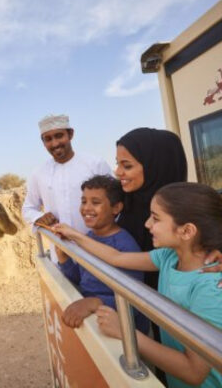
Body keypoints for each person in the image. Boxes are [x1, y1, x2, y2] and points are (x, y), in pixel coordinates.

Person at [53, 182, 222, 388]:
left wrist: (125, 332)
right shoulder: (168, 257)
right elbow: (116, 257)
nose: (147, 224)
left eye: (156, 218)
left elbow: (194, 372)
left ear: (186, 231)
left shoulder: (212, 288)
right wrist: (75, 236)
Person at [56, 175, 149, 334]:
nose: (86, 208)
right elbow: (83, 280)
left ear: (116, 208)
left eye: (96, 202)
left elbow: (135, 303)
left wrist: (94, 303)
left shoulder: (125, 246)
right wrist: (64, 260)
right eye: (84, 201)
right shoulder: (89, 238)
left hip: (124, 337)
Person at [22, 114, 111, 263]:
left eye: (59, 136)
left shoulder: (95, 163)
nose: (55, 143)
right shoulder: (38, 173)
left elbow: (116, 201)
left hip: (98, 252)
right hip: (61, 255)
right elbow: (28, 209)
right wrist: (39, 218)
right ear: (43, 142)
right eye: (48, 139)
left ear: (70, 134)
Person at [115, 127, 188, 290]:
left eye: (127, 166)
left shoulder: (189, 210)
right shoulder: (122, 200)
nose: (118, 172)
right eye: (117, 163)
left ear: (155, 165)